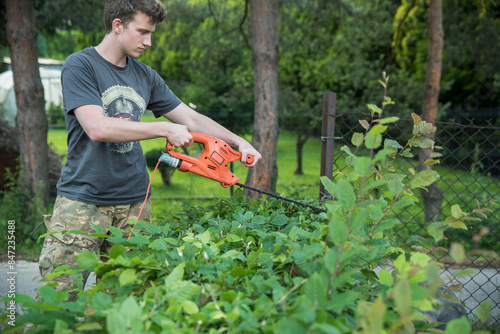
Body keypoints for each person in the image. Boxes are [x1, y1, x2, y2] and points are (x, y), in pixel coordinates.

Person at [38, 0, 261, 300]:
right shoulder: (80, 65)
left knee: (128, 304)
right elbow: (98, 128)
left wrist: (239, 142)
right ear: (118, 25)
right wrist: (162, 128)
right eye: (143, 32)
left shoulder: (146, 76)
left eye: (152, 33)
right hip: (82, 203)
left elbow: (192, 118)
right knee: (58, 301)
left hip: (135, 207)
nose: (149, 42)